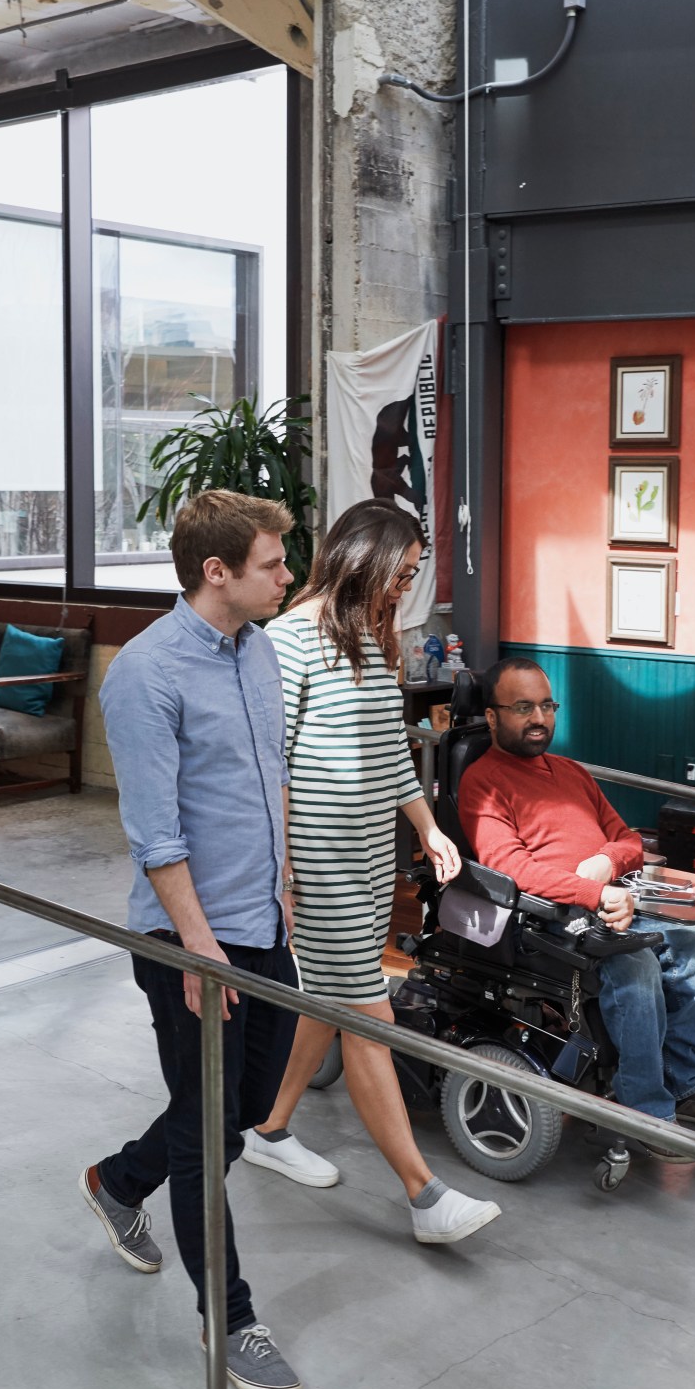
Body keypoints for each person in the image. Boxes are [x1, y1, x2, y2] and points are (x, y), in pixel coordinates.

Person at [79, 489, 307, 1389]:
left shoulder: (258, 652)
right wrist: (201, 951)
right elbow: (156, 835)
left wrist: (285, 882)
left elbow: (270, 775)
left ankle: (116, 1179)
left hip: (264, 922)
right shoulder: (145, 673)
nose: (289, 576)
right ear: (217, 571)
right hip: (190, 941)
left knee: (240, 1110)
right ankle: (232, 1316)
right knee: (208, 1125)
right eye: (273, 563)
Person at [239, 502, 499, 1244]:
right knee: (365, 1012)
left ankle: (268, 1125)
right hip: (314, 861)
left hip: (366, 857)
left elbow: (390, 750)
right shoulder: (288, 639)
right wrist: (282, 865)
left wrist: (428, 828)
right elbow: (272, 761)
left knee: (328, 998)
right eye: (401, 574)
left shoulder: (372, 639)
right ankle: (426, 1196)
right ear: (365, 557)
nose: (403, 590)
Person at [457, 656, 695, 1156]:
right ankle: (644, 1108)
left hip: (612, 898)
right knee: (633, 962)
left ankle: (684, 1082)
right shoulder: (483, 781)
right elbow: (509, 867)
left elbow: (630, 840)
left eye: (546, 705)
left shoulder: (571, 772)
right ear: (491, 717)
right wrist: (594, 892)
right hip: (546, 917)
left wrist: (604, 861)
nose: (539, 718)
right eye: (522, 707)